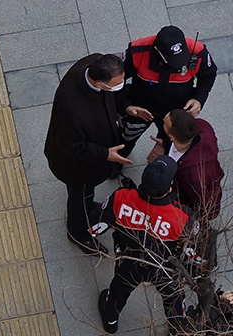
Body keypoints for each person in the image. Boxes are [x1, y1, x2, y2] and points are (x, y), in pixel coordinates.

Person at [44, 53, 137, 255]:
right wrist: (105, 154)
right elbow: (71, 147)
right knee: (80, 199)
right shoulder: (71, 107)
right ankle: (78, 232)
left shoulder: (96, 63)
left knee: (86, 198)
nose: (120, 86)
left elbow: (113, 96)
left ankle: (87, 208)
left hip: (95, 156)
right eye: (116, 83)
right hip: (77, 167)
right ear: (97, 81)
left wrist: (126, 108)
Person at [94, 155, 200, 334]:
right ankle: (177, 329)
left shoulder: (121, 197)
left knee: (119, 289)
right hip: (163, 266)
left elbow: (97, 226)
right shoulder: (183, 218)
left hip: (129, 260)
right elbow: (193, 252)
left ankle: (111, 321)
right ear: (169, 188)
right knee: (173, 298)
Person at [116, 25, 218, 173]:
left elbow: (208, 76)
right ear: (157, 51)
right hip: (139, 109)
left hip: (175, 114)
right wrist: (126, 106)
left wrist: (199, 99)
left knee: (169, 141)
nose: (179, 64)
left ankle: (161, 167)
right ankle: (118, 159)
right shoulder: (137, 51)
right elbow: (115, 81)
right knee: (127, 136)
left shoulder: (197, 51)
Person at [149, 108, 224, 273]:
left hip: (188, 208)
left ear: (172, 136)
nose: (162, 122)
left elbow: (203, 206)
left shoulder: (192, 176)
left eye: (165, 123)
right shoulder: (201, 127)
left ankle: (207, 260)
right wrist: (166, 145)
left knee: (198, 234)